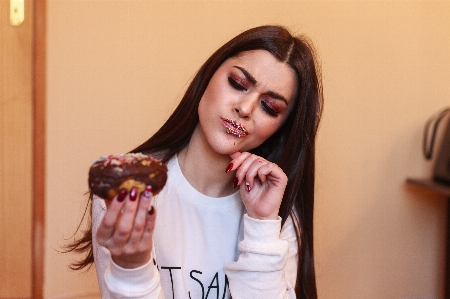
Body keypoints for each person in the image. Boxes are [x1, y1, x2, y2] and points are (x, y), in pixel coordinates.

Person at [67, 25, 323, 299]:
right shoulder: (129, 189)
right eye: (237, 83)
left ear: (281, 128)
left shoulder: (278, 214)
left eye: (269, 107)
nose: (245, 108)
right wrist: (132, 268)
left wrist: (262, 225)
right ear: (208, 76)